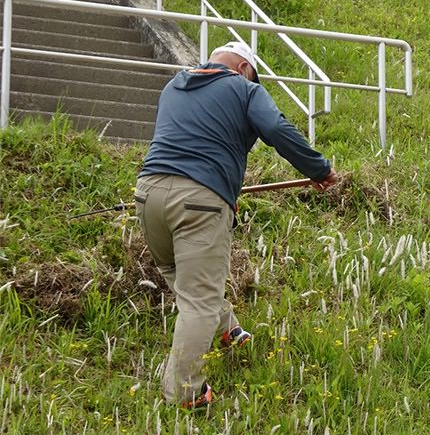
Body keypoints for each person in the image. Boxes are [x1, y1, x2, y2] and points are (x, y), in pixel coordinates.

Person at [135, 41, 338, 409]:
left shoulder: (173, 86)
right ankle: (185, 393)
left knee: (176, 271)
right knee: (199, 301)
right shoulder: (244, 88)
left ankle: (228, 329)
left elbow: (194, 141)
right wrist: (318, 169)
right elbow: (276, 129)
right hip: (199, 202)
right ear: (244, 68)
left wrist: (223, 189)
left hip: (148, 195)